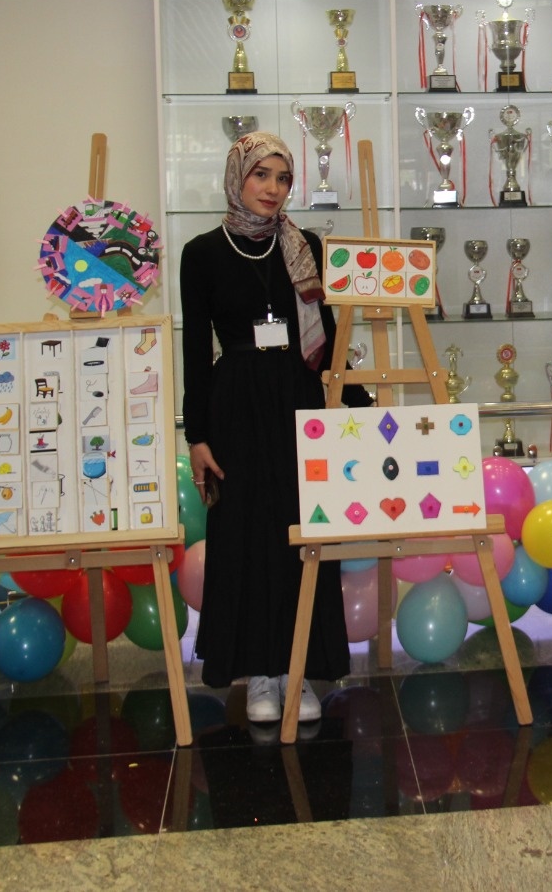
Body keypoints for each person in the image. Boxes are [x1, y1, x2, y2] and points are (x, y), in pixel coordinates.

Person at [180, 131, 368, 724]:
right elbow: (195, 351)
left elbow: (328, 336)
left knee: (302, 531)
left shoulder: (304, 245)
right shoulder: (201, 253)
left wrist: (364, 404)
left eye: (283, 178)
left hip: (299, 399)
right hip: (236, 405)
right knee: (245, 536)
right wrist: (196, 435)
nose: (273, 188)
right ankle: (259, 673)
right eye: (261, 174)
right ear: (237, 177)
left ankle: (298, 667)